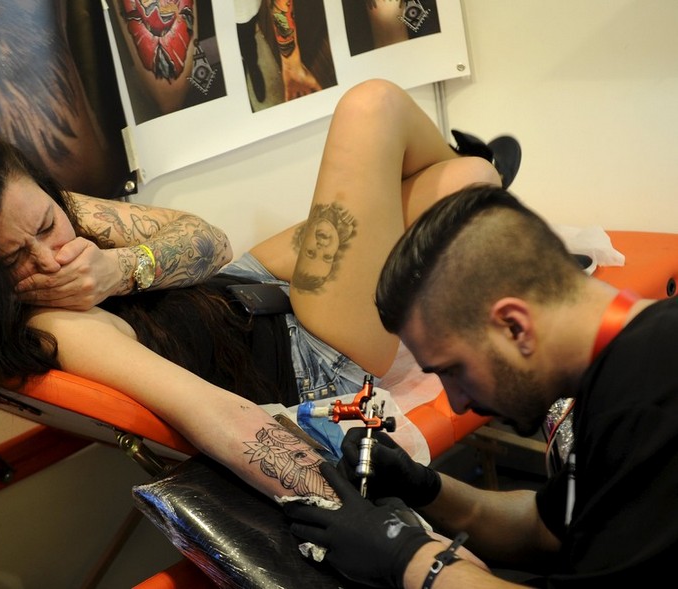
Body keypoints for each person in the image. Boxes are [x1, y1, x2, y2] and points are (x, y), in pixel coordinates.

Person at [0, 78, 511, 507]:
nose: (51, 257)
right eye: (15, 262)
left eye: (48, 225)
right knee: (373, 106)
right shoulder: (58, 327)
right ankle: (459, 208)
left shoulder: (45, 210)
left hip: (243, 289)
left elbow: (207, 239)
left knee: (466, 176)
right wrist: (363, 521)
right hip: (313, 353)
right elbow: (220, 418)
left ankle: (460, 193)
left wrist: (121, 268)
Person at [284, 185, 678, 587]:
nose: (457, 403)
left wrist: (405, 557)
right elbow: (545, 528)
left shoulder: (653, 396)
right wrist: (422, 486)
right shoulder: (622, 371)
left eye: (454, 370)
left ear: (513, 326)